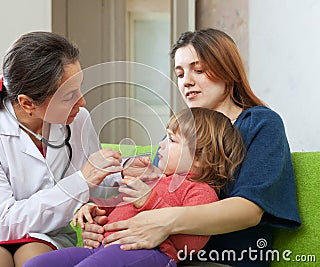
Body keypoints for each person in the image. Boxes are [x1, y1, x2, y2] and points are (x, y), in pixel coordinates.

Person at [81, 28, 301, 267]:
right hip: (158, 253)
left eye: (198, 70)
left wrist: (166, 220)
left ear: (228, 71)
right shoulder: (179, 133)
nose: (187, 81)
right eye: (179, 73)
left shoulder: (261, 124)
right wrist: (102, 225)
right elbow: (146, 198)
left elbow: (249, 209)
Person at [0, 31, 123, 267]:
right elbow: (5, 223)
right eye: (69, 95)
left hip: (48, 234)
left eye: (79, 88)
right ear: (27, 103)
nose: (82, 102)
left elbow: (98, 184)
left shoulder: (78, 119)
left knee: (36, 259)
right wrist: (80, 182)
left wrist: (126, 172)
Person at [23, 107, 246, 267]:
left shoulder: (200, 190)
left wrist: (149, 201)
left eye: (171, 140)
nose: (161, 144)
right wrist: (97, 211)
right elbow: (122, 206)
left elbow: (191, 243)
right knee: (36, 264)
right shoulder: (154, 179)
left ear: (199, 157)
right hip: (104, 247)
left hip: (151, 255)